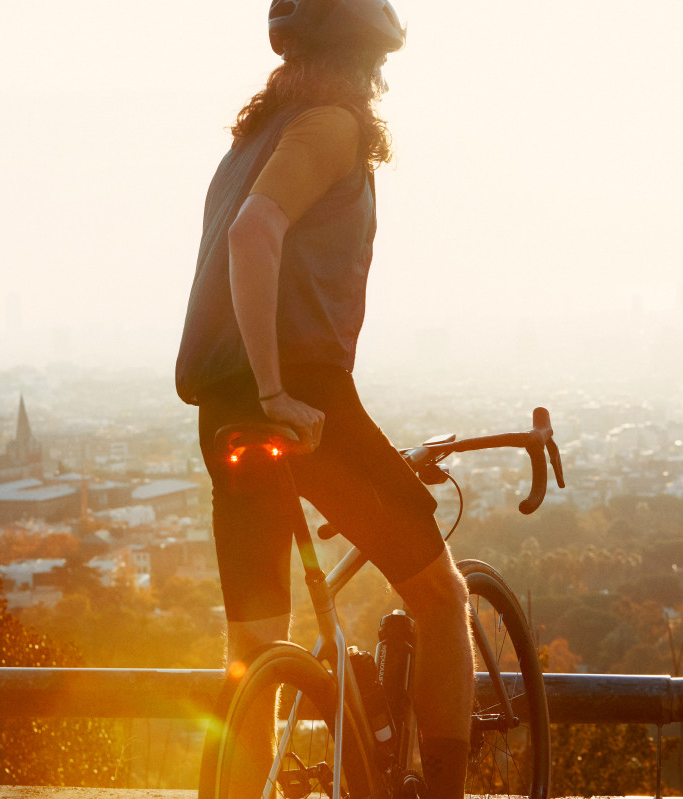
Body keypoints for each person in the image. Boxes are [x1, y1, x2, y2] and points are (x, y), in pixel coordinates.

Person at [175, 1, 472, 795]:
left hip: (221, 415)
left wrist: (252, 391)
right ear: (368, 60)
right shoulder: (332, 125)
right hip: (302, 404)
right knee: (444, 597)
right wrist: (276, 387)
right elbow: (252, 234)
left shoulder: (252, 138)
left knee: (254, 665)